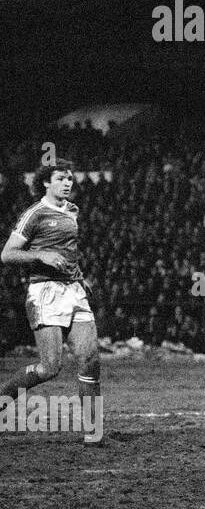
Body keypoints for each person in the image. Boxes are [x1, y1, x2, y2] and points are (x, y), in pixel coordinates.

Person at [1, 160, 104, 444]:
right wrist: (41, 255)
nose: (68, 183)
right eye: (61, 178)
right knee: (50, 368)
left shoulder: (72, 211)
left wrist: (81, 278)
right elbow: (7, 254)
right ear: (46, 182)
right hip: (45, 293)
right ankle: (3, 398)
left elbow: (69, 251)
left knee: (90, 359)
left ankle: (93, 432)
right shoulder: (34, 214)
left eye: (70, 178)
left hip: (74, 291)